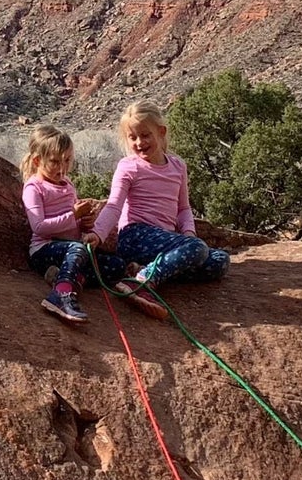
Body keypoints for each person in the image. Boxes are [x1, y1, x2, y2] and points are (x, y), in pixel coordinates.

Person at [90, 98, 229, 320]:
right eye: (132, 137)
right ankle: (143, 279)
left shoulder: (177, 166)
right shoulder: (128, 167)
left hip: (164, 241)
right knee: (198, 249)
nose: (139, 142)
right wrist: (98, 233)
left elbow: (183, 208)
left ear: (161, 132)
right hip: (135, 236)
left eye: (145, 135)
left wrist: (188, 234)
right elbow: (114, 205)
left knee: (219, 261)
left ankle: (143, 270)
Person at [21, 124, 125, 325]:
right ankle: (61, 294)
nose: (62, 167)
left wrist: (84, 223)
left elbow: (73, 223)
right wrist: (72, 215)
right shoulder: (34, 187)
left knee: (116, 266)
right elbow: (39, 227)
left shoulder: (68, 185)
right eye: (54, 162)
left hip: (72, 249)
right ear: (37, 160)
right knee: (76, 249)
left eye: (67, 160)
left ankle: (67, 276)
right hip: (44, 249)